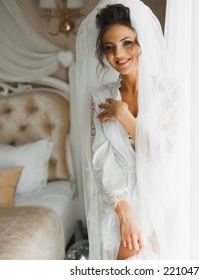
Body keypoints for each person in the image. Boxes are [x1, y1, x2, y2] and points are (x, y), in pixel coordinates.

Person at [76, 0, 188, 260]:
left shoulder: (168, 92)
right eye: (110, 47)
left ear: (141, 42)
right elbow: (100, 158)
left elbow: (165, 153)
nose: (119, 53)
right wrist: (123, 210)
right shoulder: (101, 97)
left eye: (127, 42)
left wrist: (125, 117)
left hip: (161, 198)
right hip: (118, 200)